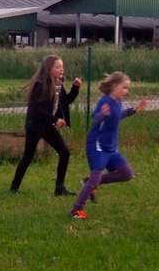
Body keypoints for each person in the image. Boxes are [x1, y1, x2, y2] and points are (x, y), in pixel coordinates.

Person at [69, 71, 147, 219]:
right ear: (113, 86)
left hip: (111, 148)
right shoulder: (105, 102)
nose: (126, 91)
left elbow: (117, 116)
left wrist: (133, 110)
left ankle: (89, 182)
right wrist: (103, 115)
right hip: (97, 146)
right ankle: (76, 210)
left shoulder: (118, 102)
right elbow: (97, 120)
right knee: (96, 177)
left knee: (127, 174)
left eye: (127, 88)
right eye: (124, 88)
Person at [9, 55, 82, 196]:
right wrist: (55, 119)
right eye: (58, 67)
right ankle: (14, 187)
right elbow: (36, 109)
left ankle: (59, 188)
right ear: (49, 69)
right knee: (28, 157)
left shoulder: (59, 84)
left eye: (62, 66)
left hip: (48, 125)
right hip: (35, 125)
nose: (62, 69)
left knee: (64, 153)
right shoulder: (40, 84)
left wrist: (75, 88)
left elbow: (66, 101)